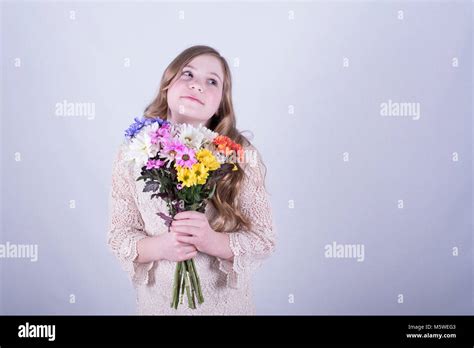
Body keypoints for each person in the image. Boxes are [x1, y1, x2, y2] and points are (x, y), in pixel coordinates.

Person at [107, 45, 276, 315]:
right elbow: (119, 235)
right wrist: (160, 246)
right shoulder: (132, 154)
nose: (197, 86)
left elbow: (264, 239)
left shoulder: (237, 155)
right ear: (167, 84)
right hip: (158, 306)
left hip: (226, 307)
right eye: (188, 74)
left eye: (212, 81)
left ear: (221, 101)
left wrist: (213, 241)